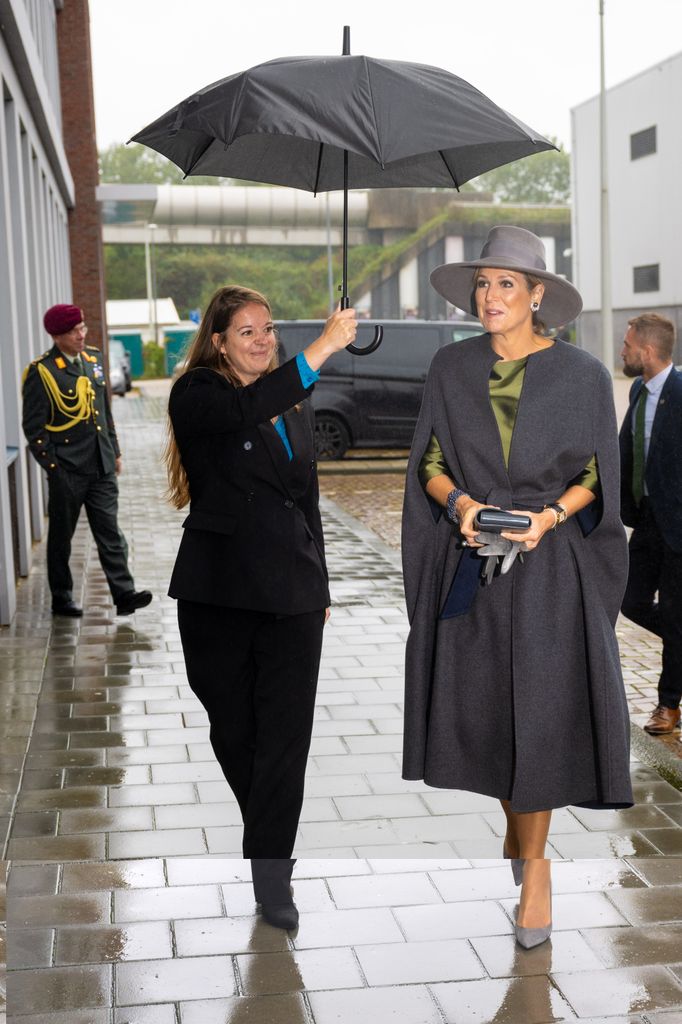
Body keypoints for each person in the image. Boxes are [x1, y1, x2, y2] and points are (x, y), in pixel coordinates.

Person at [401, 226, 633, 949]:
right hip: (472, 564)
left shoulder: (583, 375)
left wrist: (546, 519)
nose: (490, 296)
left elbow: (598, 475)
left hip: (549, 571)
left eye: (507, 283)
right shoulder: (450, 367)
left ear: (539, 295)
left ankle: (536, 872)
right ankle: (520, 833)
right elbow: (429, 462)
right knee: (493, 715)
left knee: (539, 713)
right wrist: (462, 506)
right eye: (483, 283)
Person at [165, 285, 357, 929]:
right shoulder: (197, 393)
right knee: (235, 730)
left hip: (293, 597)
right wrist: (324, 347)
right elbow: (244, 410)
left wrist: (321, 583)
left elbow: (307, 499)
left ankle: (273, 877)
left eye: (268, 329)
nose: (262, 339)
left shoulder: (291, 401)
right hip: (218, 593)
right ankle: (268, 825)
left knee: (285, 740)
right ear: (218, 340)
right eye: (246, 331)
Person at [22, 304, 152, 618]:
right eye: (74, 331)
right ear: (57, 336)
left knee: (110, 532)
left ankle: (124, 595)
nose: (82, 335)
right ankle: (62, 597)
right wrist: (55, 468)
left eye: (82, 328)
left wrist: (115, 451)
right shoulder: (43, 371)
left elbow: (103, 412)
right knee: (61, 539)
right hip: (67, 468)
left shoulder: (94, 359)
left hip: (101, 464)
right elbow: (34, 428)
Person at [619, 313, 682, 737]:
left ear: (646, 350)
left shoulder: (680, 391)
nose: (622, 352)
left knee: (676, 615)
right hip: (646, 521)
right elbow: (628, 447)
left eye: (626, 346)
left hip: (679, 526)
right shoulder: (638, 390)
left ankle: (668, 706)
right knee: (631, 600)